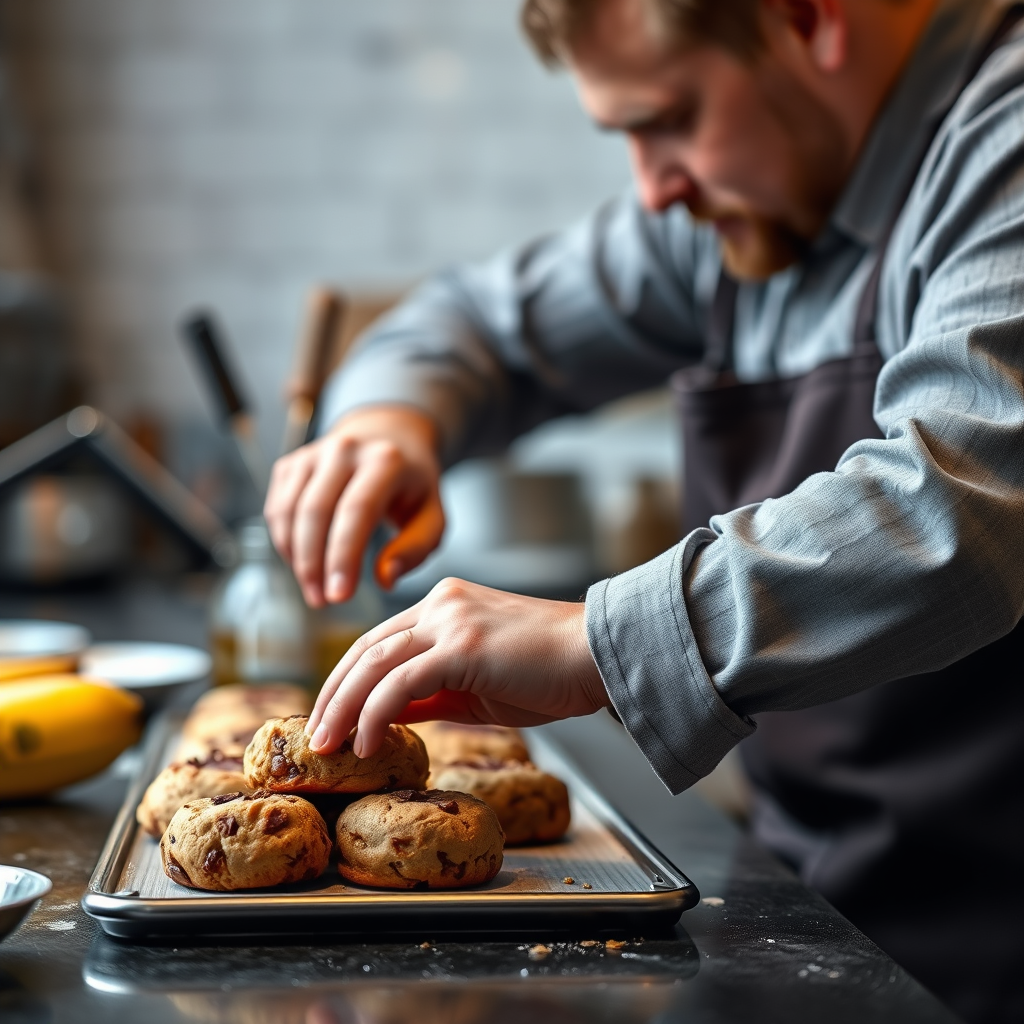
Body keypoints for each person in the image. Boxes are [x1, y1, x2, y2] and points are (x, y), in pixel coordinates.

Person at [264, 2, 1024, 1021]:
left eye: (666, 118)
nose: (653, 187)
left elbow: (959, 510)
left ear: (809, 18)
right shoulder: (747, 203)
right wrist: (387, 421)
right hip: (821, 911)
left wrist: (596, 641)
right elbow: (475, 322)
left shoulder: (1000, 140)